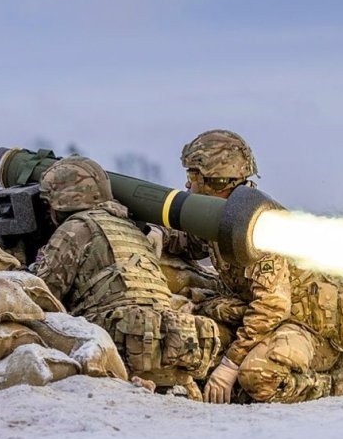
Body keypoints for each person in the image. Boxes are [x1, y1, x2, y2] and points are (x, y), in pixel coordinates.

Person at [159, 130, 343, 404]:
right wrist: (159, 237)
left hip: (306, 327)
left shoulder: (258, 225)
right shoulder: (225, 214)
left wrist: (230, 365)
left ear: (215, 180)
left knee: (258, 376)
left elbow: (272, 306)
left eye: (193, 177)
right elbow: (194, 244)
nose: (187, 186)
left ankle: (336, 385)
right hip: (270, 319)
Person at [31, 156, 219, 399]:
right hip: (171, 342)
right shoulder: (131, 227)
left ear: (60, 201)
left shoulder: (76, 229)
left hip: (123, 345)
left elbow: (43, 295)